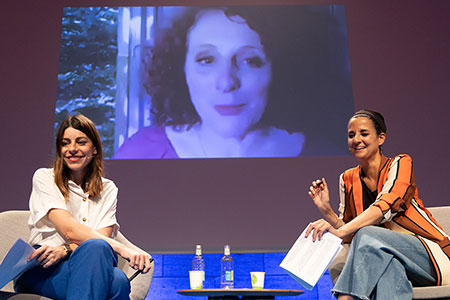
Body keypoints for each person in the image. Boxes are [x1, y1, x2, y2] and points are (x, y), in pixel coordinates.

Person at [114, 5, 353, 159]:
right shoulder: (138, 153)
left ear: (279, 70)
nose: (227, 82)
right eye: (207, 59)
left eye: (250, 60)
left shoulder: (327, 156)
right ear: (181, 69)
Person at [306, 109, 450, 299]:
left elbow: (386, 205)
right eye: (351, 135)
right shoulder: (347, 179)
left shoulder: (400, 163)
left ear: (381, 138)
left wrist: (341, 230)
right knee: (386, 267)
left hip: (433, 257)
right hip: (393, 259)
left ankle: (345, 297)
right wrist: (328, 212)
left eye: (364, 133)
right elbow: (350, 236)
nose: (356, 139)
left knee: (368, 234)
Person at [14, 114, 152, 300]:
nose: (72, 149)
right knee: (117, 282)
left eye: (81, 142)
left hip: (92, 260)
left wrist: (65, 250)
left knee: (101, 254)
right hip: (44, 268)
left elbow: (101, 239)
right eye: (65, 143)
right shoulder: (45, 178)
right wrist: (123, 249)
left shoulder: (108, 188)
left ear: (94, 149)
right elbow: (69, 230)